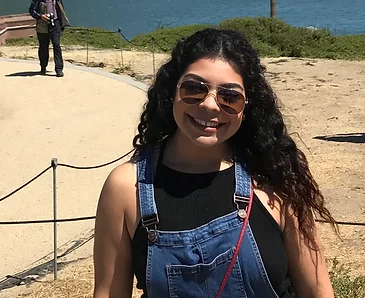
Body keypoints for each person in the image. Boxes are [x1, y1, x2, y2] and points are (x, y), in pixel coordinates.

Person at [93, 28, 337, 298]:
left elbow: (318, 291)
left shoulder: (274, 175)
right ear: (172, 90)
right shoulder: (127, 189)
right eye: (194, 89)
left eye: (229, 97)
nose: (210, 105)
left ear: (246, 107)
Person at [29, 0, 70, 77]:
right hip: (42, 25)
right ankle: (43, 67)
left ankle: (59, 69)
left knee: (57, 46)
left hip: (55, 24)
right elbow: (31, 10)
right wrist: (40, 16)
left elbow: (61, 10)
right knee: (43, 47)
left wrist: (62, 24)